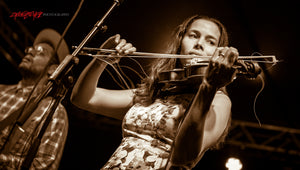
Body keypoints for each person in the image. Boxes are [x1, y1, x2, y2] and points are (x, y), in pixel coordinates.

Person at [71, 15, 238, 169]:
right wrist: (100, 60)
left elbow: (185, 158)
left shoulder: (218, 100)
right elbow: (84, 98)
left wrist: (208, 86)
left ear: (218, 53)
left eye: (210, 42)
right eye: (193, 35)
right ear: (180, 41)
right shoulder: (156, 91)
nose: (199, 44)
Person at [0, 28, 69, 170]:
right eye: (30, 49)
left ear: (53, 69)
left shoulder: (53, 111)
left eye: (40, 52)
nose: (30, 51)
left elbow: (44, 165)